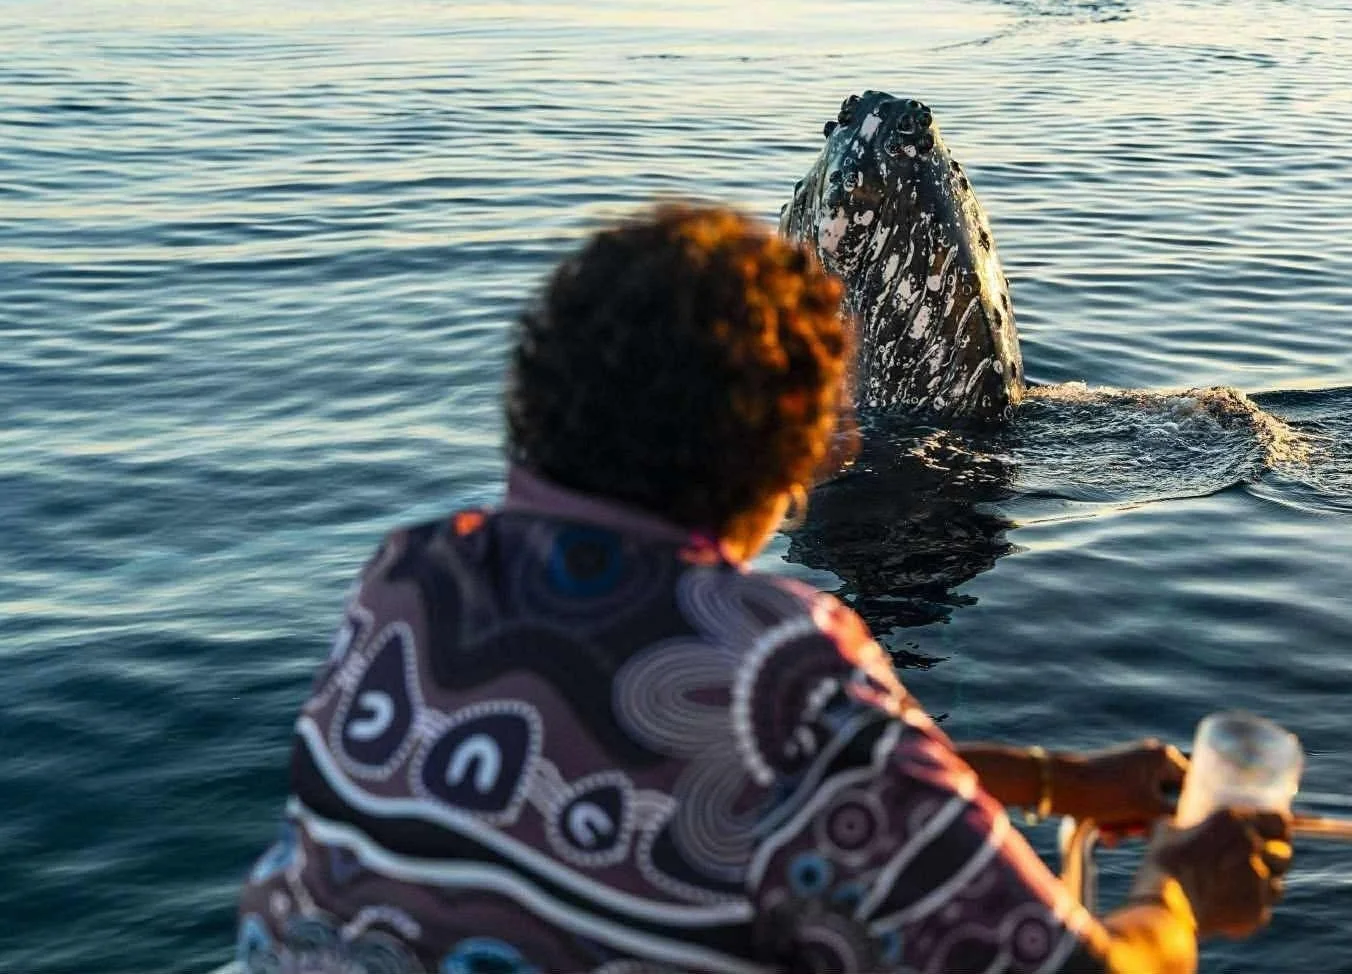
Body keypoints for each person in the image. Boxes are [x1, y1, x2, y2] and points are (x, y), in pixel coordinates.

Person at [236, 202, 1290, 974]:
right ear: (795, 443)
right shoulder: (777, 669)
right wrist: (1178, 891)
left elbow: (662, 777)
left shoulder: (414, 576)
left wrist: (1044, 781)